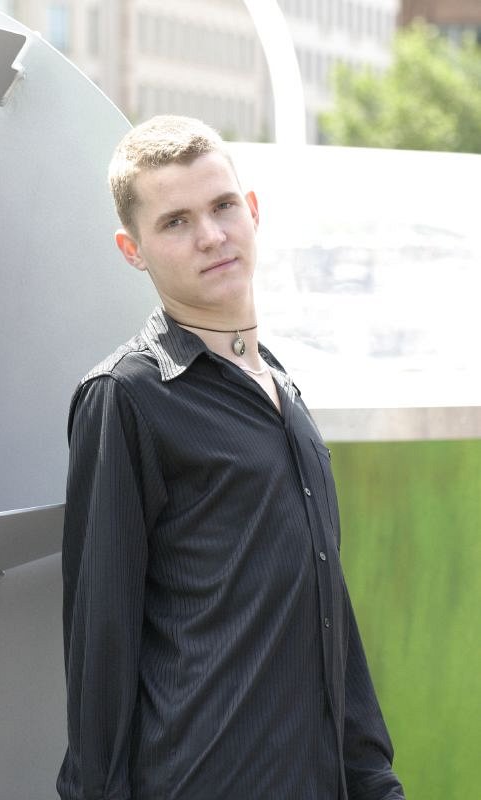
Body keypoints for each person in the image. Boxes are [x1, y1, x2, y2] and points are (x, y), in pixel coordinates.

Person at [57, 115, 404, 800]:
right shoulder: (125, 397)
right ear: (133, 250)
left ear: (252, 211)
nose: (211, 236)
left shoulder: (283, 389)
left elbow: (326, 612)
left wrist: (372, 778)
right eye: (175, 222)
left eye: (221, 207)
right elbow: (100, 645)